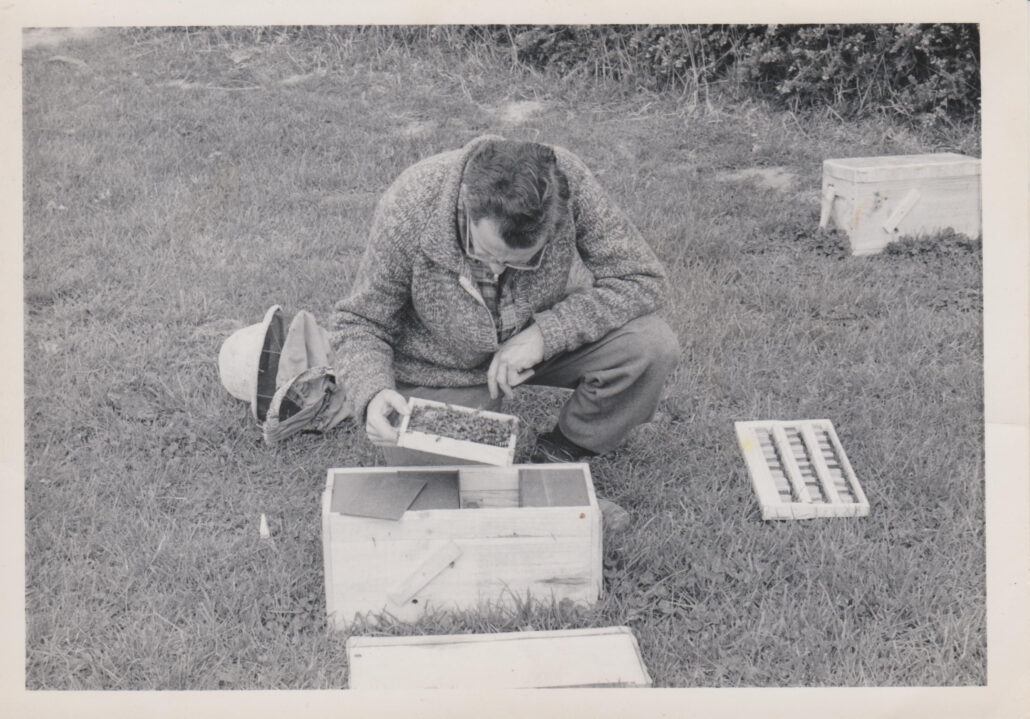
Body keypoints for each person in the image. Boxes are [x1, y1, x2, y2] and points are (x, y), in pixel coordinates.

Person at [330, 136, 679, 501]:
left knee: (651, 346)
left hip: (533, 344)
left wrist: (544, 335)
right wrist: (373, 392)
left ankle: (565, 449)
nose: (496, 270)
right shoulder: (412, 201)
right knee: (449, 481)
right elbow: (360, 321)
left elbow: (642, 279)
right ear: (467, 202)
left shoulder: (567, 183)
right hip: (439, 368)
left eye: (520, 260)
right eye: (482, 253)